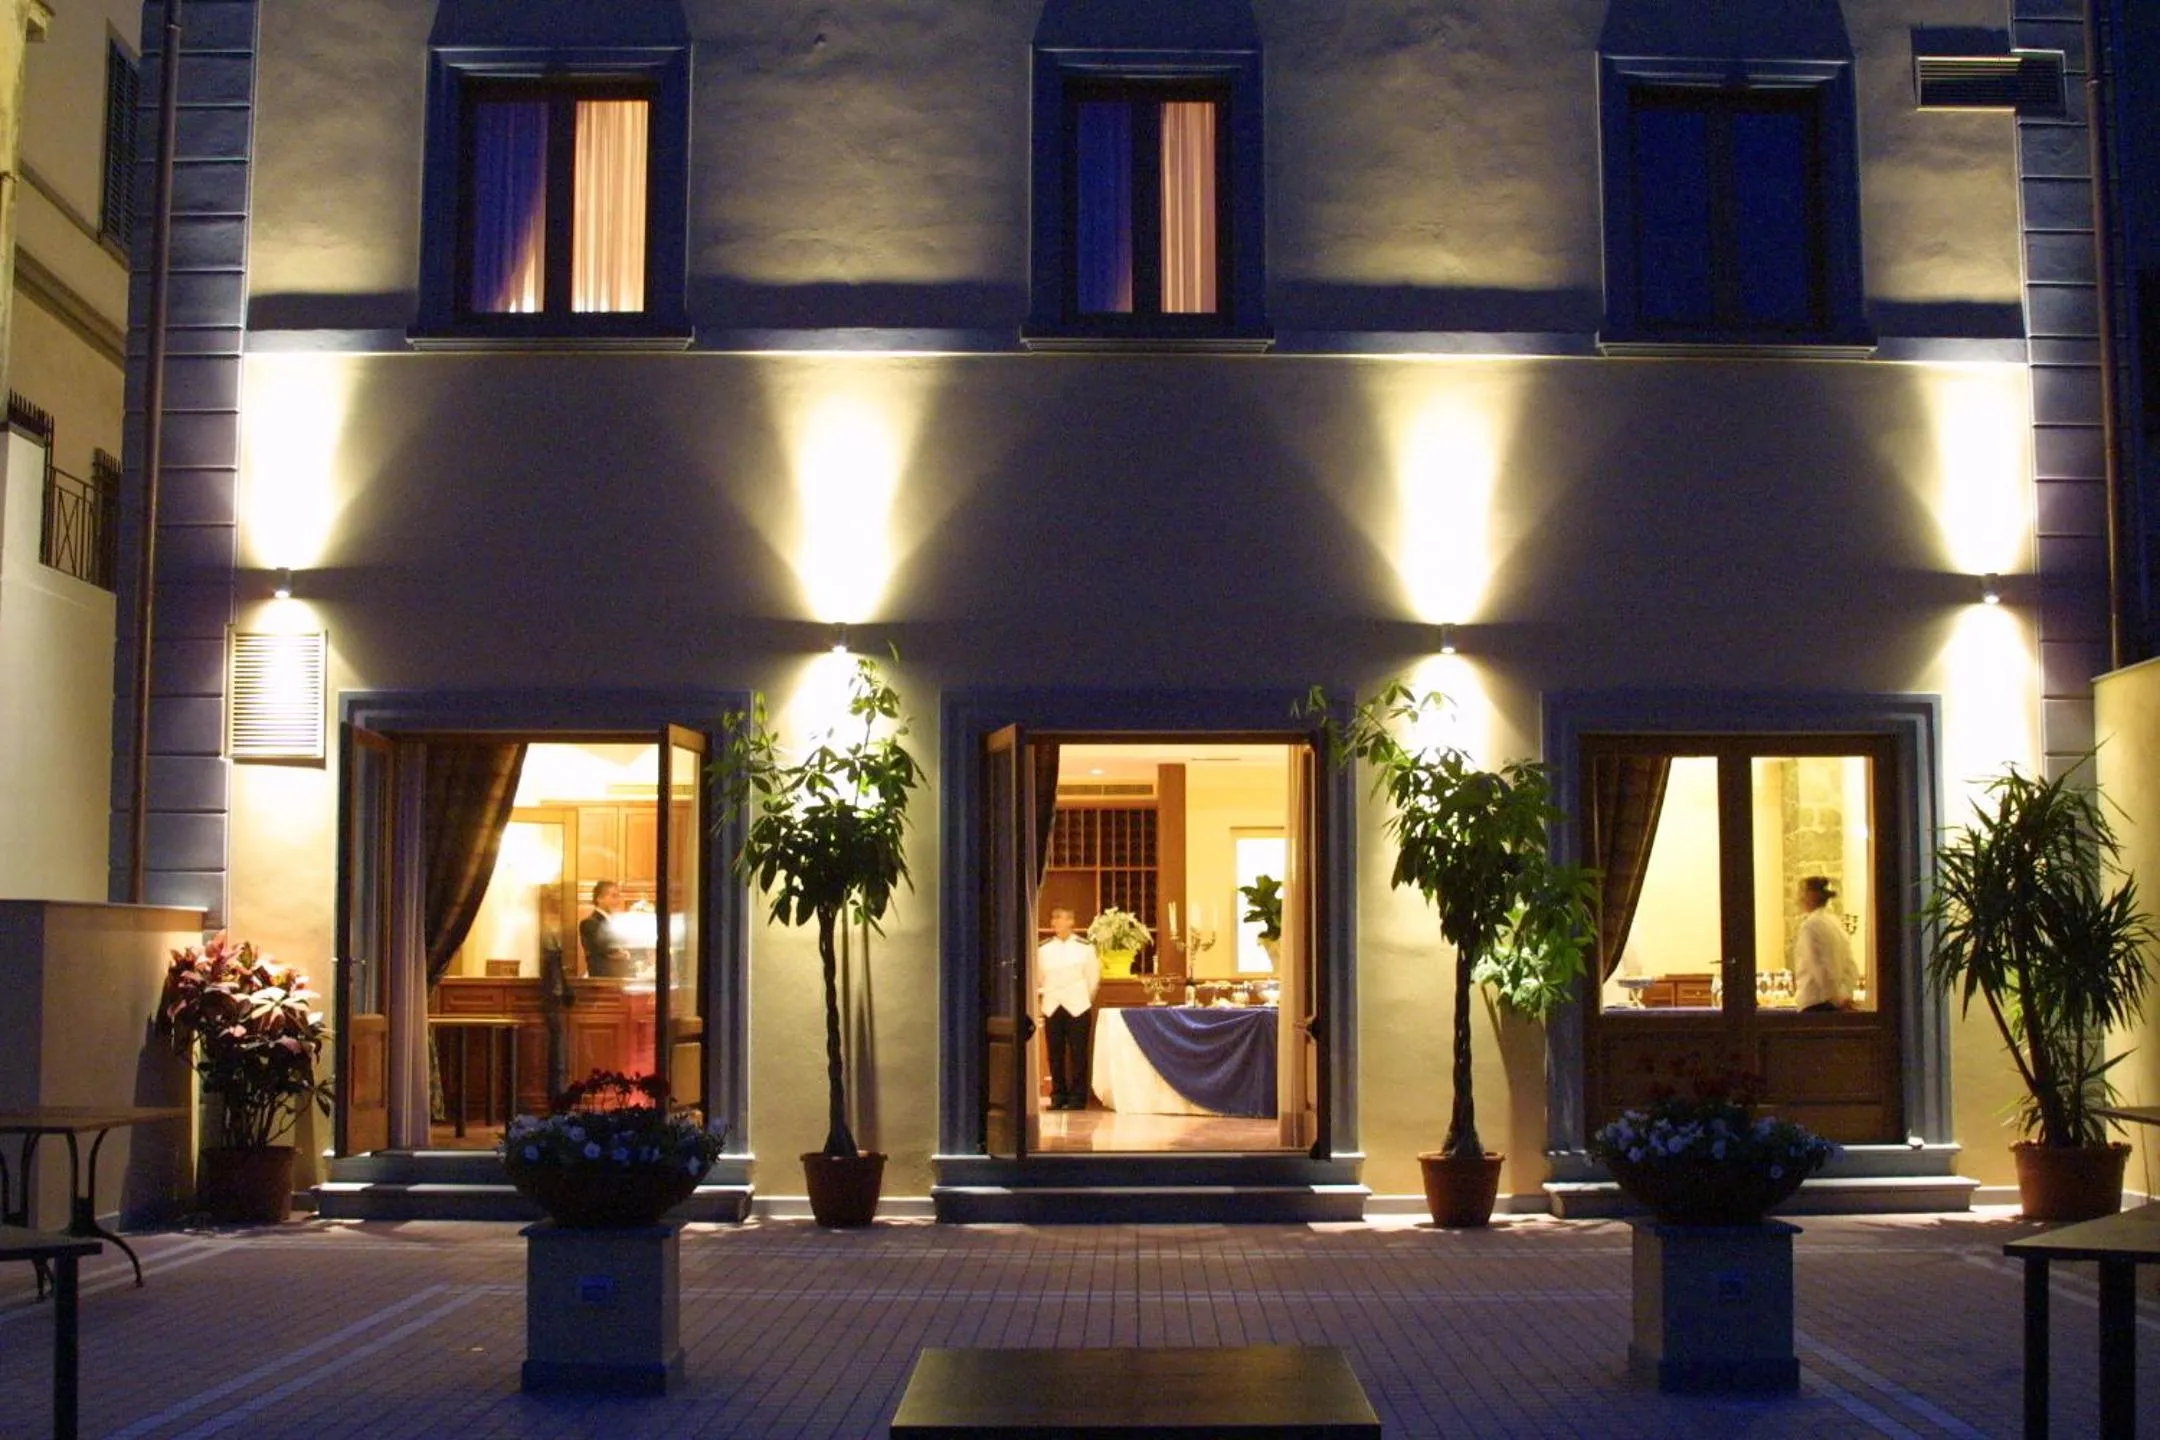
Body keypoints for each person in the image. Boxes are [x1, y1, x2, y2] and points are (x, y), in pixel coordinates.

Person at [1037, 906, 1099, 1111]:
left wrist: (1083, 1000)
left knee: (1078, 1053)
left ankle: (1078, 1097)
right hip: (1052, 1006)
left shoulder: (1085, 947)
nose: (1055, 922)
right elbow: (1039, 978)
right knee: (1055, 1054)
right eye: (1053, 918)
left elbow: (1092, 979)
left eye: (1060, 918)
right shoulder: (1043, 949)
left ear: (1071, 921)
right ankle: (1058, 1095)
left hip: (1078, 1005)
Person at [1792, 875, 1858, 1013]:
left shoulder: (1809, 926)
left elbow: (1818, 967)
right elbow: (1850, 966)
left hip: (1816, 1003)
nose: (1798, 898)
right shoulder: (1836, 924)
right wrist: (1845, 995)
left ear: (1811, 895)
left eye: (1801, 892)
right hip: (1835, 1001)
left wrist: (1835, 998)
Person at [536, 887, 576, 1101]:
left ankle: (558, 1092)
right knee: (557, 1042)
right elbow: (553, 961)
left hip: (555, 990)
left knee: (560, 1042)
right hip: (552, 991)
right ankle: (557, 1093)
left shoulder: (552, 927)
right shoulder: (543, 928)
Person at [581, 880, 631, 978]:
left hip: (619, 979)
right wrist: (625, 954)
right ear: (599, 898)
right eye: (614, 896)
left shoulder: (616, 922)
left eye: (618, 896)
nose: (618, 900)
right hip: (603, 981)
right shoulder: (590, 923)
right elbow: (610, 951)